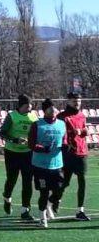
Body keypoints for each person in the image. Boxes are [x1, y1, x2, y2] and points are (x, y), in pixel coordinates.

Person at [29, 99, 67, 228]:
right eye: (50, 108)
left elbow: (64, 140)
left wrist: (66, 146)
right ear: (45, 111)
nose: (54, 110)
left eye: (55, 108)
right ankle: (42, 218)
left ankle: (50, 204)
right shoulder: (37, 125)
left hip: (57, 164)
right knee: (44, 192)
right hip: (41, 165)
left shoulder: (61, 124)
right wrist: (43, 148)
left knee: (59, 189)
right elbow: (31, 144)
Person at [0, 94, 37, 220]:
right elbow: (2, 134)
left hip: (27, 153)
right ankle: (7, 198)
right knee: (12, 179)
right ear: (20, 106)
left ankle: (25, 210)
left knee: (27, 181)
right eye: (26, 107)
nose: (29, 109)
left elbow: (36, 133)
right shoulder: (12, 116)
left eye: (30, 107)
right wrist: (15, 140)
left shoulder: (33, 117)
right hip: (12, 153)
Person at [57, 92, 91, 221]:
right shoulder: (62, 117)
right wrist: (66, 143)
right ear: (68, 101)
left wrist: (81, 131)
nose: (77, 103)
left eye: (79, 101)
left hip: (82, 152)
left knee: (82, 181)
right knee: (64, 182)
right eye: (74, 101)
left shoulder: (82, 115)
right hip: (68, 154)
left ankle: (80, 210)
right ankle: (54, 200)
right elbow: (59, 134)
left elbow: (85, 130)